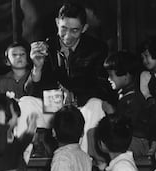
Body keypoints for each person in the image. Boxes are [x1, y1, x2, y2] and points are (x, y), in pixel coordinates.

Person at [19, 2, 109, 154]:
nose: (68, 36)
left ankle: (84, 163)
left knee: (96, 105)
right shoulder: (45, 47)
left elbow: (102, 87)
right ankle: (18, 165)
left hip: (81, 108)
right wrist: (37, 67)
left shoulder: (97, 49)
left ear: (84, 28)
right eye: (64, 29)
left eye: (75, 30)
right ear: (57, 23)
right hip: (52, 109)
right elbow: (30, 91)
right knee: (25, 103)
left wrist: (74, 94)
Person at [103, 51, 153, 160]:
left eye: (112, 75)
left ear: (126, 75)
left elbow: (126, 126)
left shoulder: (134, 99)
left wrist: (112, 113)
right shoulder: (123, 96)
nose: (109, 79)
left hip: (137, 142)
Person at [0, 40, 33, 171]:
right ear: (7, 60)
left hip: (29, 119)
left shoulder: (33, 76)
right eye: (14, 55)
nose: (19, 57)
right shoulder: (4, 80)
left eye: (22, 54)